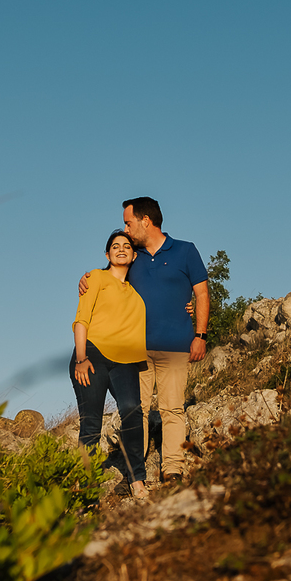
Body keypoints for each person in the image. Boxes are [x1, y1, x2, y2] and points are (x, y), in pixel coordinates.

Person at [80, 197, 208, 483]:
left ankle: (172, 467)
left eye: (128, 222)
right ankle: (134, 472)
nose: (126, 229)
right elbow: (110, 275)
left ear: (145, 221)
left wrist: (200, 335)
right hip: (135, 349)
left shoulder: (186, 251)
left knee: (173, 408)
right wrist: (87, 277)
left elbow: (201, 294)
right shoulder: (133, 255)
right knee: (135, 411)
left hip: (177, 345)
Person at [72, 230, 149, 499]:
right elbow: (81, 320)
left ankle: (136, 478)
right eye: (115, 246)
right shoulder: (96, 278)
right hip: (92, 355)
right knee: (91, 423)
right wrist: (81, 358)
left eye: (126, 246)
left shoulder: (138, 293)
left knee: (132, 410)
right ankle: (86, 487)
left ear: (134, 255)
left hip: (126, 360)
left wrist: (187, 306)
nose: (120, 249)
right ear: (107, 255)